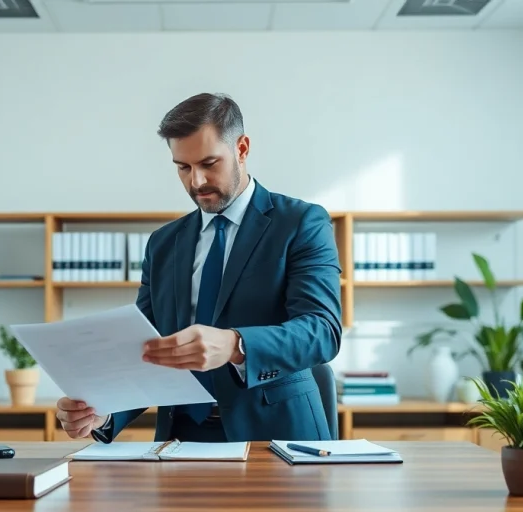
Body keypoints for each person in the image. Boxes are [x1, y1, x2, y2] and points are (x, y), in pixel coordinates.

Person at [56, 92, 342, 443]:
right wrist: (104, 411)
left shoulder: (301, 222)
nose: (196, 182)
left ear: (242, 148)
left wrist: (236, 345)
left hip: (276, 435)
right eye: (183, 167)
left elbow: (322, 331)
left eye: (209, 163)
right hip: (181, 439)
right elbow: (145, 348)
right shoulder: (163, 244)